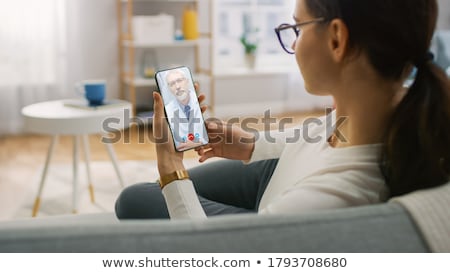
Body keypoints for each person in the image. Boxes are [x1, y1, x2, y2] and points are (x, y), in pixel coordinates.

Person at [115, 0, 450, 220]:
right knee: (143, 195)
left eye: (296, 28)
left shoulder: (332, 198)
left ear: (336, 39)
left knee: (134, 200)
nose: (292, 42)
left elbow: (213, 256)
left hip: (279, 203)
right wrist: (248, 143)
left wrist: (171, 165)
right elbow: (321, 133)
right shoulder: (385, 111)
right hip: (280, 173)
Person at [159, 67, 208, 151]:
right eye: (172, 84)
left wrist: (200, 141)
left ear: (187, 82)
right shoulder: (168, 110)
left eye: (179, 81)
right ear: (169, 89)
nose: (177, 86)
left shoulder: (200, 103)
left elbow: (207, 134)